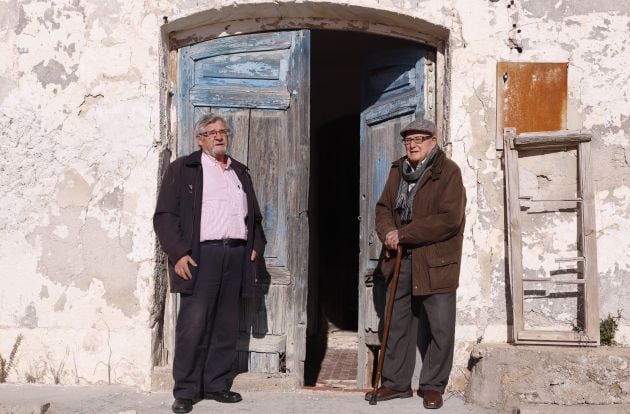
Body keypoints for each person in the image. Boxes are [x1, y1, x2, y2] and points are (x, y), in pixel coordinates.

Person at [154, 114, 266, 414]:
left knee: (226, 323)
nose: (219, 136)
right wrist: (178, 253)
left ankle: (216, 384)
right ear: (199, 138)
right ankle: (186, 391)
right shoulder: (185, 168)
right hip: (201, 255)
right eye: (211, 132)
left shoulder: (239, 172)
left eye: (222, 131)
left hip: (235, 254)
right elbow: (165, 216)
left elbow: (254, 216)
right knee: (194, 323)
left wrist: (255, 246)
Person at [365, 119, 466, 410]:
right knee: (397, 323)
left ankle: (433, 386)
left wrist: (404, 233)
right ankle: (395, 384)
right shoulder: (398, 170)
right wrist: (387, 233)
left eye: (420, 138)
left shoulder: (448, 172)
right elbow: (384, 208)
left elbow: (449, 219)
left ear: (434, 141)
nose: (413, 144)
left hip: (436, 261)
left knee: (440, 327)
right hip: (400, 258)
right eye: (409, 139)